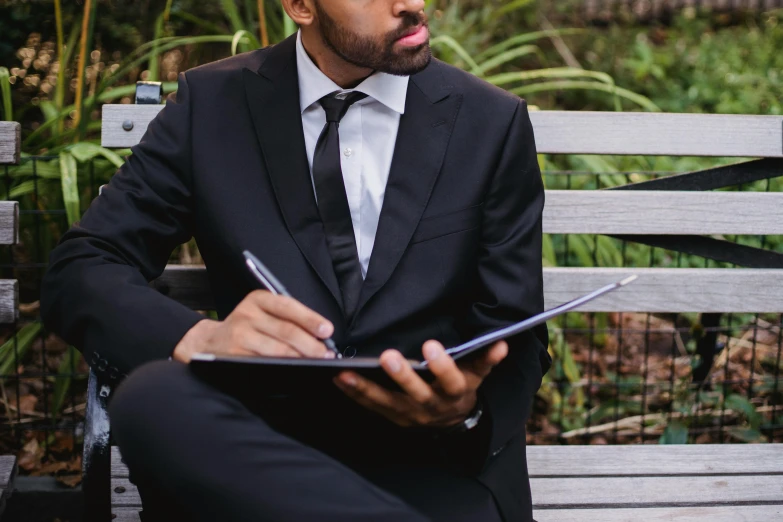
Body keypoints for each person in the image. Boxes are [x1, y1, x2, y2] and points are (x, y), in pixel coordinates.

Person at [40, 0, 551, 520]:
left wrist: (462, 412)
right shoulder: (211, 103)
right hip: (258, 453)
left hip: (428, 464)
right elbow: (82, 265)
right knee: (151, 397)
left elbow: (517, 330)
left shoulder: (491, 120)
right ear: (301, 6)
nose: (412, 4)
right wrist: (200, 339)